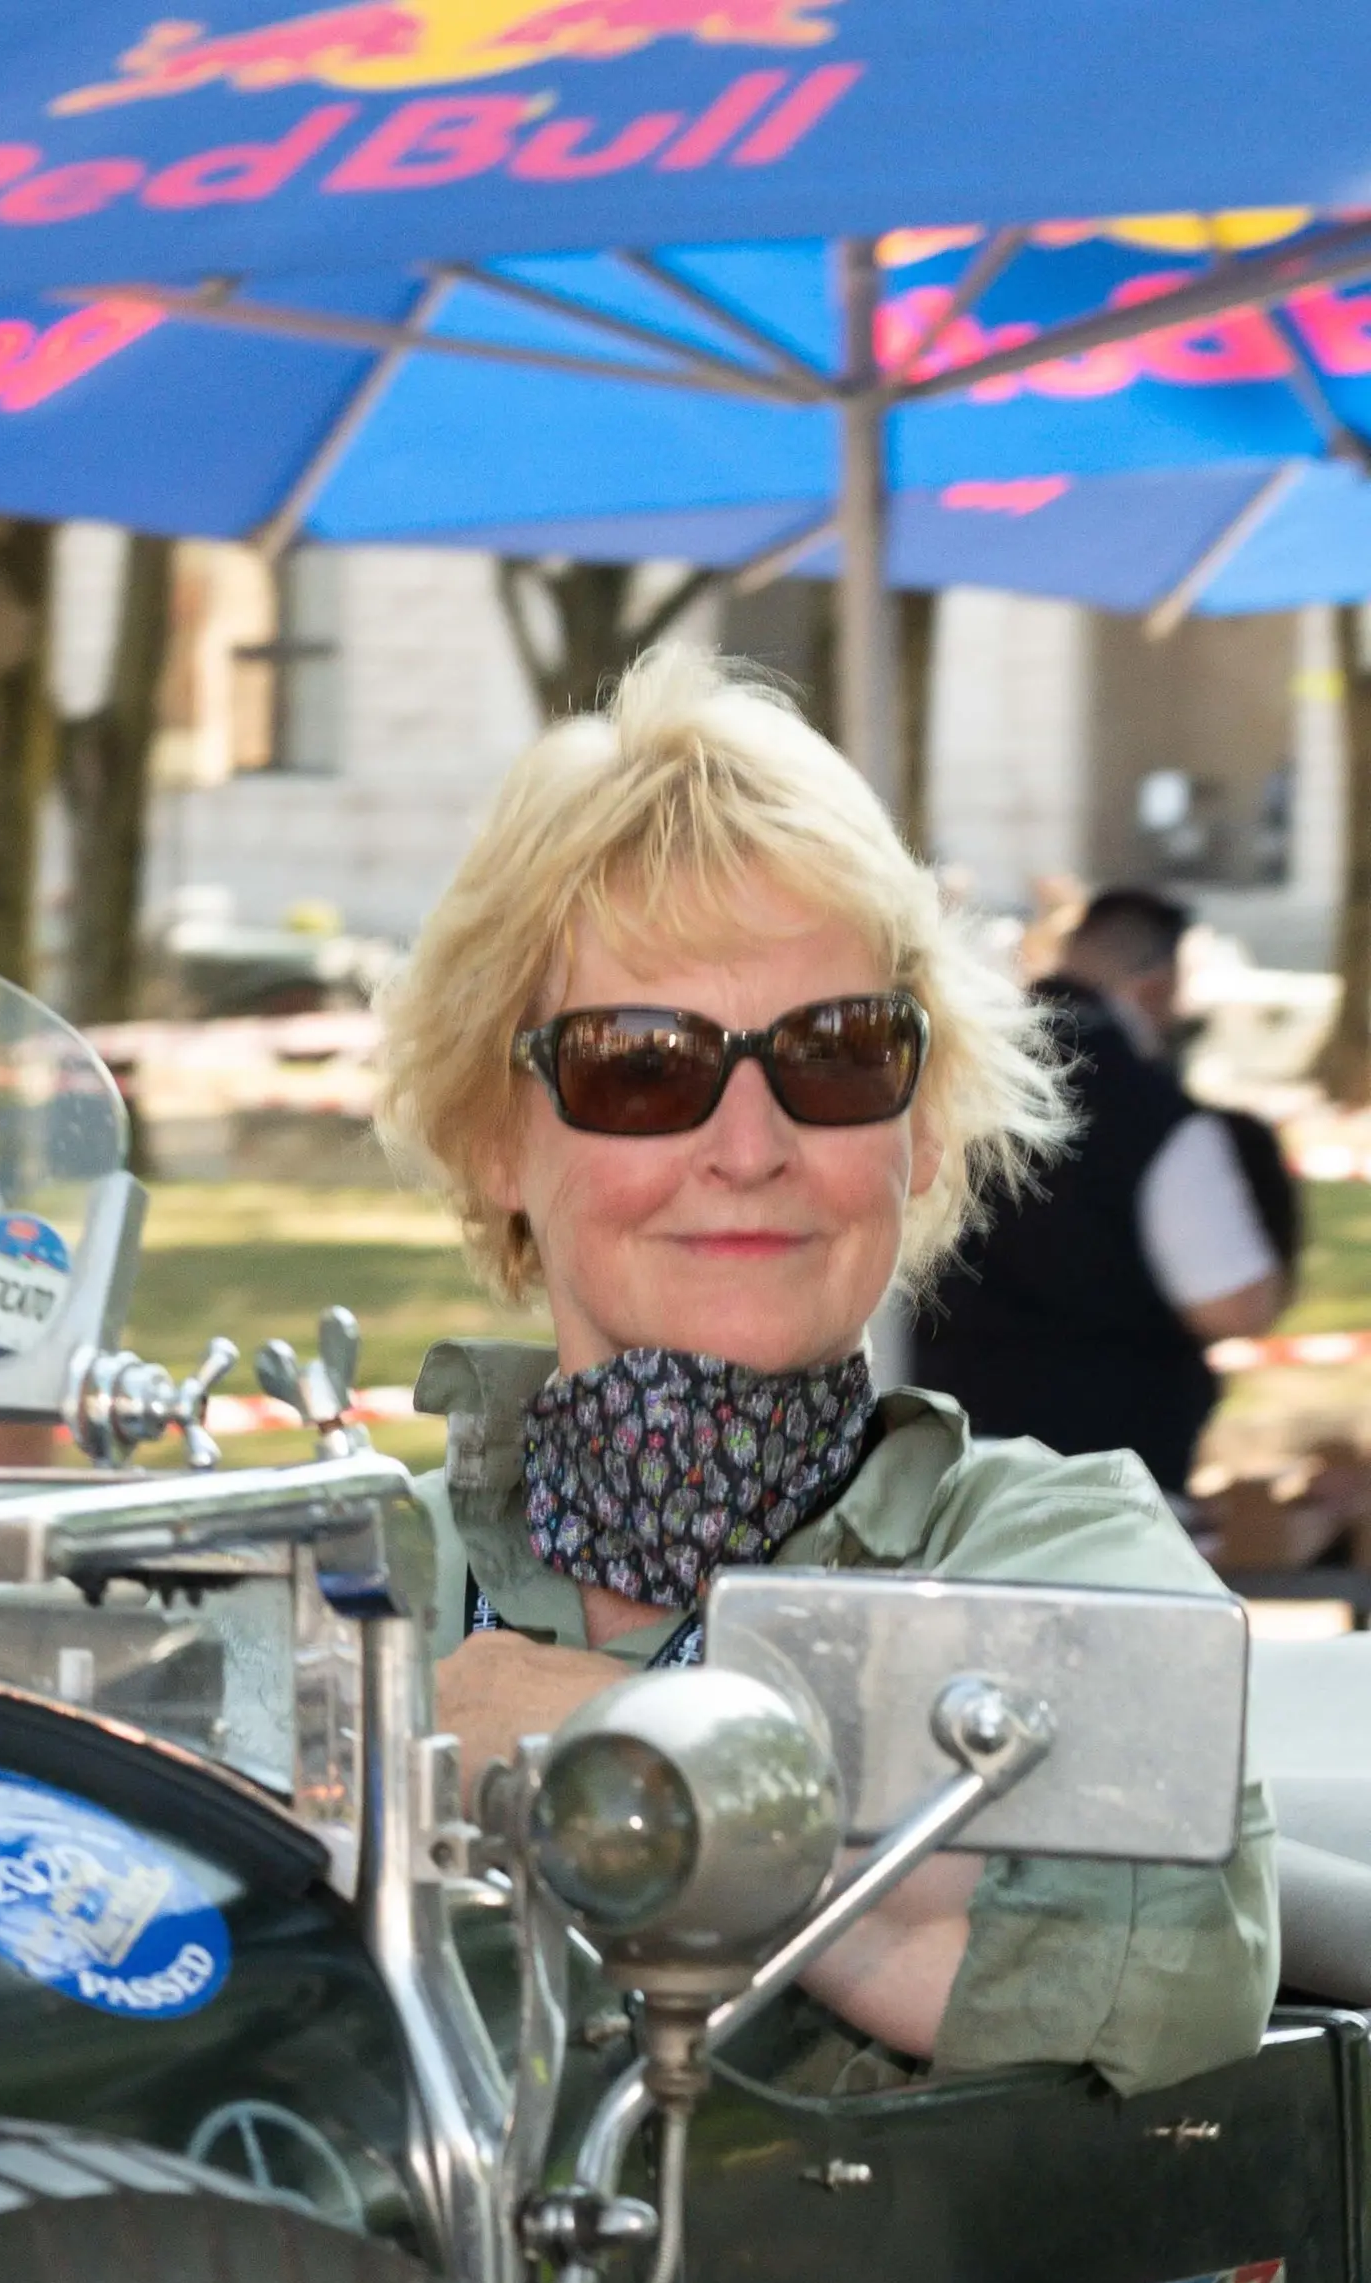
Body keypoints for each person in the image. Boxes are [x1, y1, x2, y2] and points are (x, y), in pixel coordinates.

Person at [382, 649, 1275, 2099]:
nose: (749, 1147)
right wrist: (864, 1847)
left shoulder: (1050, 1550)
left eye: (839, 1053)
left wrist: (585, 1746)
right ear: (499, 1138)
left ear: (917, 1130)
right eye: (640, 1066)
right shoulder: (361, 1577)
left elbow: (1150, 1971)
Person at [910, 886, 1293, 1496]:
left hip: (940, 1467)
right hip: (1106, 1486)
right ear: (1159, 984)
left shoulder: (957, 1084)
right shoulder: (1153, 1114)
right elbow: (1233, 1304)